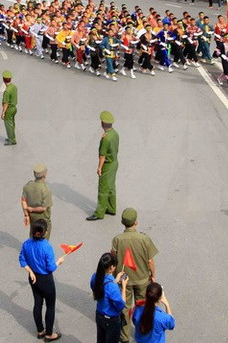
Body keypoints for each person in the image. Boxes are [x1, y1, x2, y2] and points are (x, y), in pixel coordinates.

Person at [111, 207, 158, 343]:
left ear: (122, 222)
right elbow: (150, 261)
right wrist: (153, 275)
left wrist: (115, 275)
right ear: (136, 222)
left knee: (125, 308)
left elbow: (113, 257)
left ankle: (124, 337)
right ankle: (142, 332)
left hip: (124, 279)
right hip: (142, 279)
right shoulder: (144, 239)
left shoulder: (117, 239)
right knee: (143, 306)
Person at [19, 218, 66, 341]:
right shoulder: (46, 246)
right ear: (45, 233)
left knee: (37, 303)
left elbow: (22, 260)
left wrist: (30, 271)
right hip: (46, 280)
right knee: (50, 306)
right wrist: (59, 262)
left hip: (33, 278)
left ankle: (40, 331)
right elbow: (51, 267)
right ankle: (49, 334)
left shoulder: (26, 244)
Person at [87, 111, 119, 221]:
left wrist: (99, 168)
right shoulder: (115, 134)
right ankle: (111, 208)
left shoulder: (106, 138)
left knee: (103, 189)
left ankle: (99, 213)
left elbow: (102, 156)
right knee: (111, 186)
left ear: (102, 123)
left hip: (107, 165)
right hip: (114, 163)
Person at [91, 252, 128, 343]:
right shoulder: (112, 287)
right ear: (111, 267)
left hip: (99, 314)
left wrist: (115, 281)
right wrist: (124, 286)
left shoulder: (95, 277)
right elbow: (121, 305)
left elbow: (101, 289)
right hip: (111, 320)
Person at [21, 164, 53, 239]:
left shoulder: (28, 186)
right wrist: (31, 209)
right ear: (44, 175)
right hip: (43, 218)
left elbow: (23, 200)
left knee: (33, 235)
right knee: (43, 239)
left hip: (32, 217)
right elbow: (43, 208)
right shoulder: (46, 190)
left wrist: (26, 215)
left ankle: (31, 249)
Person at [1, 71, 18, 146]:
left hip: (9, 110)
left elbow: (5, 103)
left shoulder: (7, 91)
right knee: (12, 124)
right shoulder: (13, 87)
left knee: (8, 125)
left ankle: (12, 140)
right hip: (14, 108)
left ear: (3, 79)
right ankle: (11, 137)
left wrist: (3, 113)